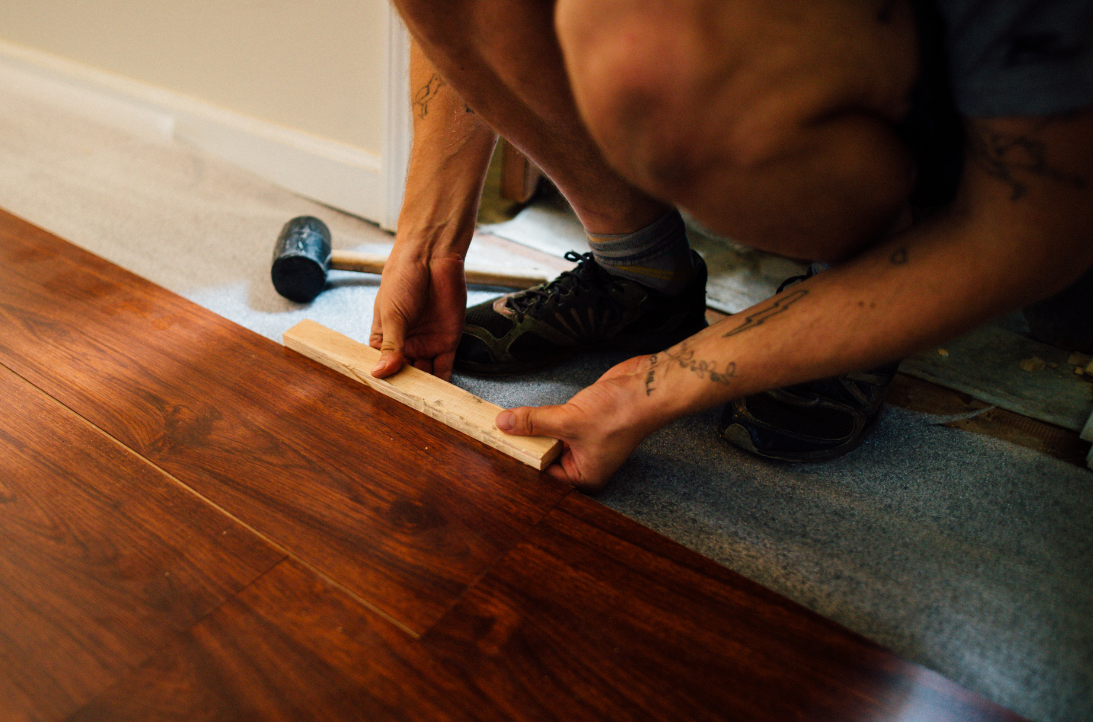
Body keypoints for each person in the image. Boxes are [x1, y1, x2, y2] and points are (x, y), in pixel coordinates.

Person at [367, 0, 1093, 492]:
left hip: (943, 116)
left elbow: (1033, 232)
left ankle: (858, 281)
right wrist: (427, 241)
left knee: (645, 49)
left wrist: (658, 384)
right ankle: (640, 277)